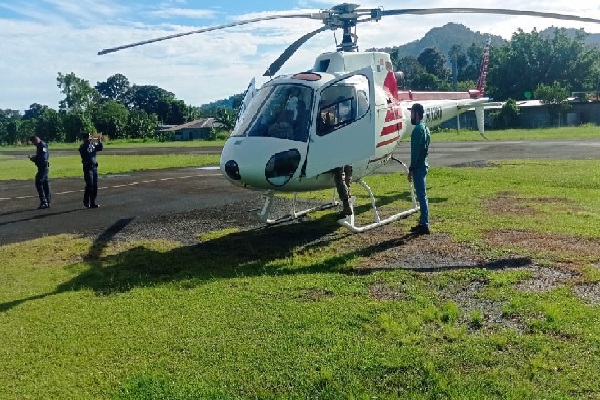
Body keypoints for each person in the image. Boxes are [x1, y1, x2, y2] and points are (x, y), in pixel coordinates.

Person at [407, 103, 430, 235]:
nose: (410, 115)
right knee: (422, 195)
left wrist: (411, 169)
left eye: (411, 113)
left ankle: (424, 224)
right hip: (424, 164)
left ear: (416, 113)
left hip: (419, 167)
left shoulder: (417, 130)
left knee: (421, 196)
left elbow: (414, 152)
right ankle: (422, 221)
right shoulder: (426, 128)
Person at [79, 133, 103, 208]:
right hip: (87, 167)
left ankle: (93, 202)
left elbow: (100, 148)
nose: (91, 138)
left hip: (94, 167)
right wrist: (89, 142)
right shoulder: (83, 146)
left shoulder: (93, 145)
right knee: (90, 184)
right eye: (89, 137)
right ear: (85, 138)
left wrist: (99, 141)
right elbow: (83, 151)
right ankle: (86, 201)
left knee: (95, 185)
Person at [28, 135, 51, 209]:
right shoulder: (40, 146)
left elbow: (43, 158)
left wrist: (34, 158)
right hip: (42, 167)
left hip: (43, 167)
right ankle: (47, 201)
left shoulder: (42, 146)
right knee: (45, 184)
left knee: (38, 182)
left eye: (33, 142)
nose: (34, 144)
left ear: (35, 140)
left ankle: (44, 201)